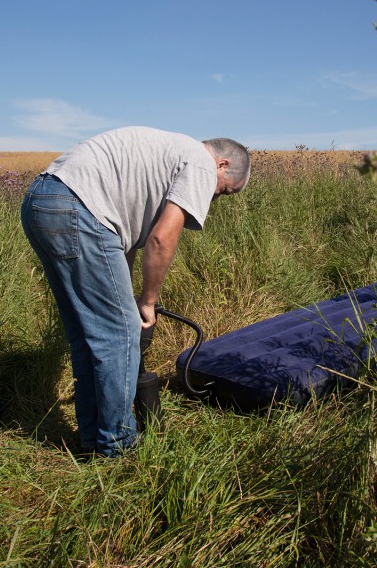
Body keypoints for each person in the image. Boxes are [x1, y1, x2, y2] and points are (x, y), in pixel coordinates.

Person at [21, 126, 251, 457]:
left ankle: (91, 440)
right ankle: (118, 445)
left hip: (41, 200)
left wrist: (125, 299)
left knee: (90, 334)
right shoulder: (201, 163)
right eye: (224, 192)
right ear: (223, 165)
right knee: (120, 334)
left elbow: (120, 245)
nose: (215, 199)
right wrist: (147, 302)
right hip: (76, 207)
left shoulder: (167, 155)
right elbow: (161, 239)